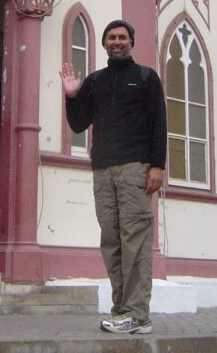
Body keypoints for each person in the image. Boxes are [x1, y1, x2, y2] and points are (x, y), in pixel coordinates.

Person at [59, 19, 166, 334]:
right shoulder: (94, 81)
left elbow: (159, 123)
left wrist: (157, 166)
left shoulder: (146, 78)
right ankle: (122, 310)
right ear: (105, 44)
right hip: (102, 171)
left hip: (135, 168)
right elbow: (79, 125)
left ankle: (138, 314)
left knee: (135, 239)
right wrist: (71, 95)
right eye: (111, 37)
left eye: (122, 37)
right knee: (112, 241)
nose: (117, 42)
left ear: (131, 42)